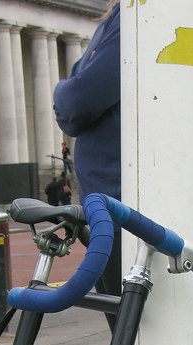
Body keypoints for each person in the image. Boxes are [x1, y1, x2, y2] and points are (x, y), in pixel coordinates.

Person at [53, 0, 121, 296]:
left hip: (119, 206)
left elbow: (77, 99)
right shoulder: (116, 20)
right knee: (127, 328)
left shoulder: (133, 19)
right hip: (107, 205)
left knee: (132, 327)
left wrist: (62, 89)